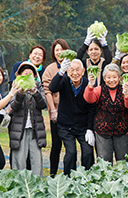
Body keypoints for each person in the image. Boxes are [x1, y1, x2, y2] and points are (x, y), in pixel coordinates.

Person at [49, 58, 95, 176]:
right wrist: (60, 72)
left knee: (88, 152)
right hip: (65, 126)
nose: (75, 73)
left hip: (83, 126)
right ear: (67, 71)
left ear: (83, 71)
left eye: (78, 70)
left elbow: (91, 109)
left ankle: (87, 179)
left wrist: (90, 129)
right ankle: (69, 179)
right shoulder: (64, 80)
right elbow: (52, 88)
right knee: (71, 152)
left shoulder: (87, 84)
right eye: (71, 70)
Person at [84, 63, 128, 164]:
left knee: (124, 162)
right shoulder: (99, 89)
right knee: (104, 162)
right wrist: (90, 85)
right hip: (103, 132)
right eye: (108, 77)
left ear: (119, 78)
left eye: (114, 77)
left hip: (122, 132)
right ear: (104, 78)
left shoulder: (123, 89)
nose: (111, 80)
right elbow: (89, 99)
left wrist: (126, 94)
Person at [8, 61, 47, 177]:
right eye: (25, 73)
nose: (27, 76)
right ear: (19, 75)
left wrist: (35, 92)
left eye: (30, 74)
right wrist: (19, 94)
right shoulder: (15, 86)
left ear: (34, 76)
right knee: (19, 161)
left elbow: (43, 105)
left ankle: (37, 188)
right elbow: (13, 106)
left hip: (35, 130)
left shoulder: (38, 86)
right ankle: (19, 188)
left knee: (36, 162)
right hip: (19, 130)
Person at [42, 39, 70, 178]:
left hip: (71, 113)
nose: (59, 52)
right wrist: (53, 110)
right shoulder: (50, 69)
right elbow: (47, 91)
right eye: (56, 50)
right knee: (56, 145)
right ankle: (52, 173)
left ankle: (69, 173)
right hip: (57, 112)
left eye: (61, 49)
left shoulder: (73, 66)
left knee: (71, 147)